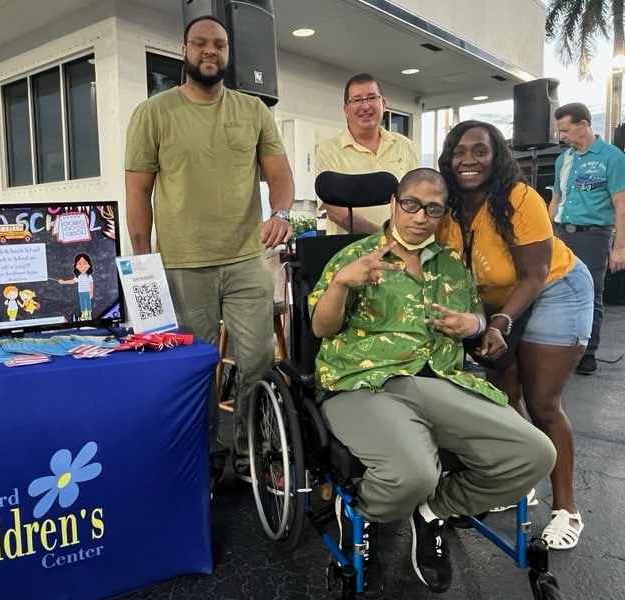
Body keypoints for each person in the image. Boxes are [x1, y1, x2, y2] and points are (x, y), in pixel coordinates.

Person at [311, 168, 556, 594]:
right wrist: (341, 285)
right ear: (394, 204)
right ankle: (363, 513)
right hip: (364, 383)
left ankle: (434, 511)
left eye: (433, 209)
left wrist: (473, 324)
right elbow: (321, 328)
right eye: (411, 204)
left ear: (443, 214)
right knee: (414, 475)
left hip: (441, 379)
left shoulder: (451, 264)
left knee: (535, 454)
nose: (420, 216)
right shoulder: (355, 257)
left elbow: (475, 318)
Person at [124, 15, 294, 495]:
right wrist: (143, 261)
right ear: (184, 50)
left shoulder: (253, 110)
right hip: (181, 264)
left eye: (218, 44)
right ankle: (206, 457)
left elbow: (279, 175)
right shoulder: (153, 113)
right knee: (196, 371)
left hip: (245, 259)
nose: (209, 51)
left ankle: (250, 452)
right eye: (199, 43)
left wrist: (281, 212)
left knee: (257, 360)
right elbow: (138, 191)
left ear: (227, 52)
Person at [437, 120, 593, 551]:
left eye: (480, 150)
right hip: (493, 300)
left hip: (554, 288)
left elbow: (534, 274)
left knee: (542, 403)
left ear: (497, 157)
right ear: (449, 159)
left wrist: (500, 323)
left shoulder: (520, 198)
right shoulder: (447, 207)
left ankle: (567, 510)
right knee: (502, 397)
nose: (468, 159)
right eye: (459, 151)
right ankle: (522, 480)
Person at [550, 102, 625, 375]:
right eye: (559, 131)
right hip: (561, 232)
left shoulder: (612, 157)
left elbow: (621, 205)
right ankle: (560, 348)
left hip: (593, 235)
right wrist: (546, 234)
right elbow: (555, 199)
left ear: (584, 125)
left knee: (590, 293)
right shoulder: (564, 159)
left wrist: (620, 247)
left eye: (566, 130)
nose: (562, 136)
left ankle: (588, 353)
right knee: (554, 291)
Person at [315, 73, 418, 235]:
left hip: (399, 246)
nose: (365, 106)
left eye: (371, 98)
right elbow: (337, 212)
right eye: (357, 100)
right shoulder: (328, 150)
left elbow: (416, 199)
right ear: (346, 109)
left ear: (383, 104)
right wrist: (382, 237)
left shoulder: (404, 145)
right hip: (348, 248)